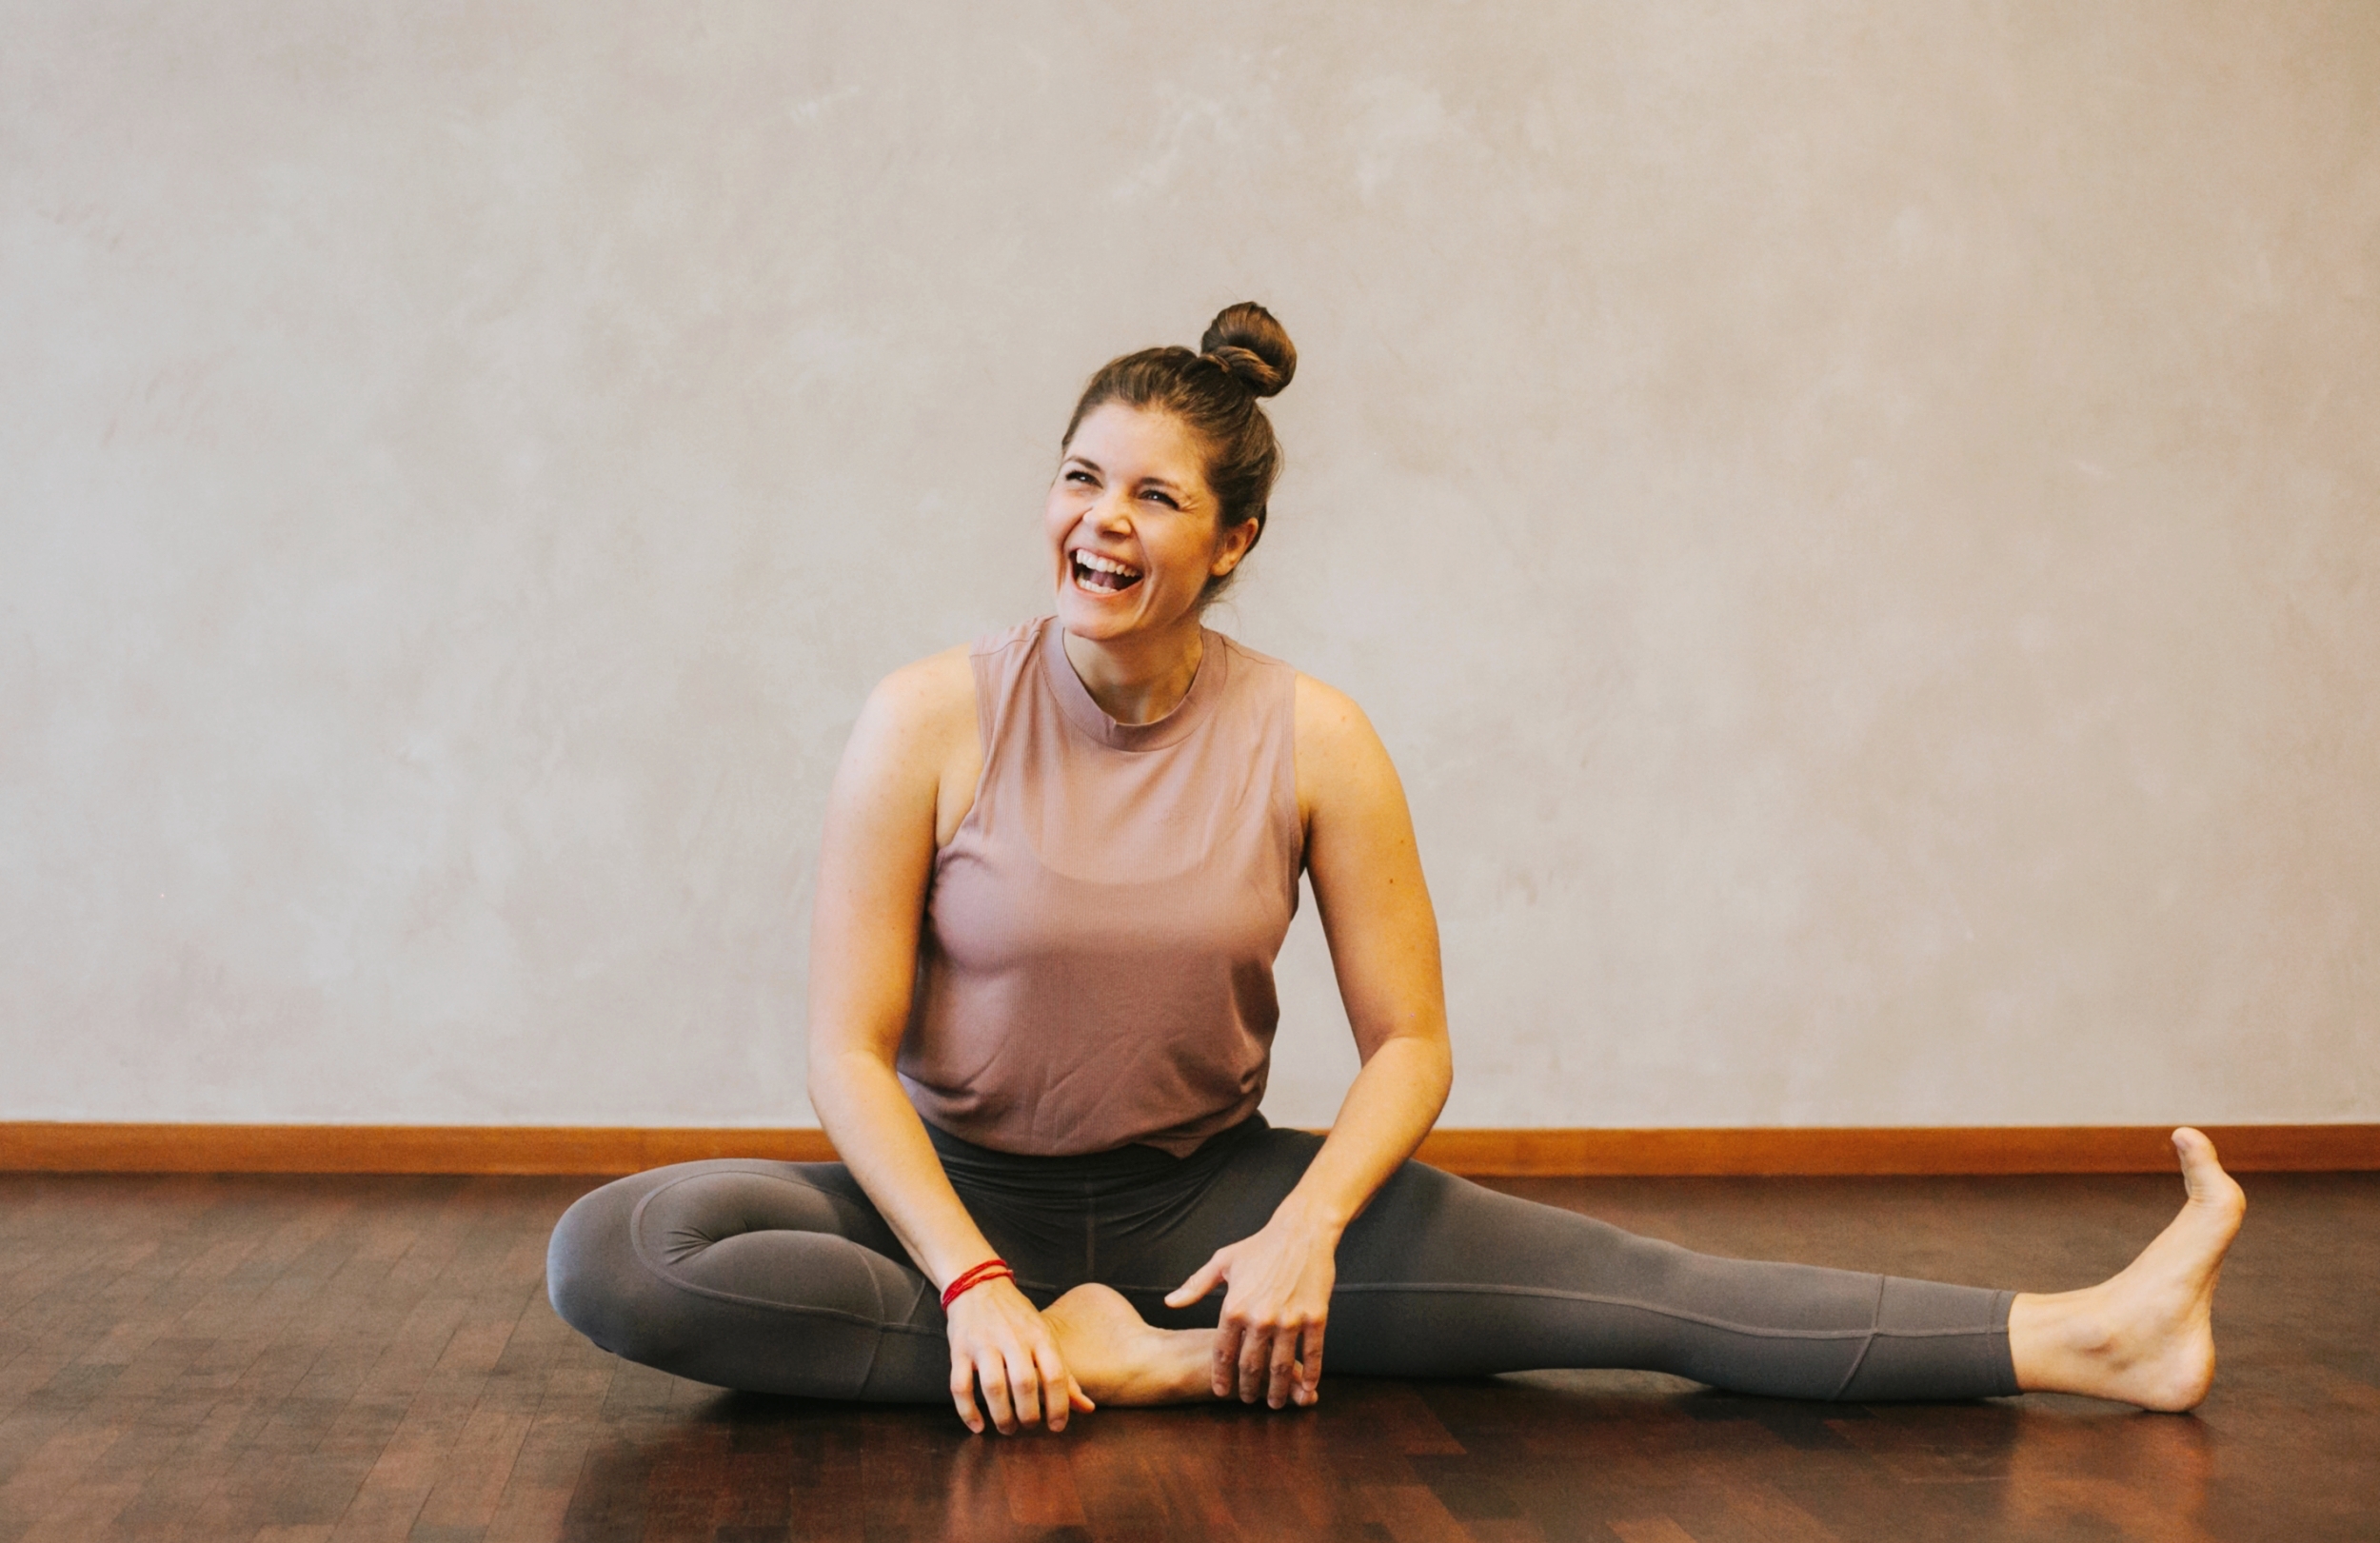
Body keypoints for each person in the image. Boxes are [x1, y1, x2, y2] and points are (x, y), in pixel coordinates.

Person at [546, 303, 2246, 1435]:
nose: (1101, 521)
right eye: (1080, 478)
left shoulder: (1316, 735)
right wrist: (976, 1279)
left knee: (1644, 1295)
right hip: (958, 1191)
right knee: (626, 1251)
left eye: (1154, 494)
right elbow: (848, 1050)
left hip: (1212, 1207)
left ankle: (2090, 1331)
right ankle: (1128, 1366)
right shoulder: (926, 716)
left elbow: (1412, 1043)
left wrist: (1303, 1232)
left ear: (1237, 540)